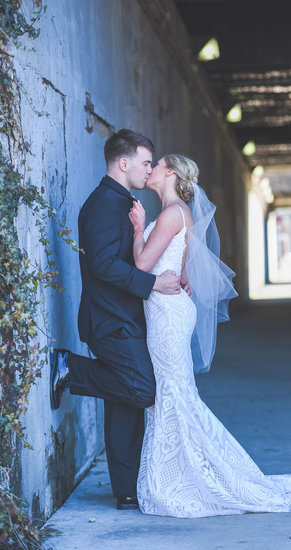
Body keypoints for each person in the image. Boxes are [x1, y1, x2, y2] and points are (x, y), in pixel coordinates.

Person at [128, 153, 291, 518]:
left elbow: (142, 265)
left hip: (167, 313)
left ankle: (191, 478)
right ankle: (183, 474)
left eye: (156, 164)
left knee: (173, 392)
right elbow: (180, 268)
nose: (150, 167)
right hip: (169, 309)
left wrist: (139, 228)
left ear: (169, 172)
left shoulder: (171, 213)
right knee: (174, 392)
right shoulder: (180, 213)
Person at [50, 129, 184, 511]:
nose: (149, 169)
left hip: (124, 317)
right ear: (122, 164)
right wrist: (154, 283)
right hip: (110, 320)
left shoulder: (120, 201)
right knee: (142, 389)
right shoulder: (105, 205)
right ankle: (69, 369)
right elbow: (104, 264)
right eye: (145, 162)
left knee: (124, 401)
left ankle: (127, 489)